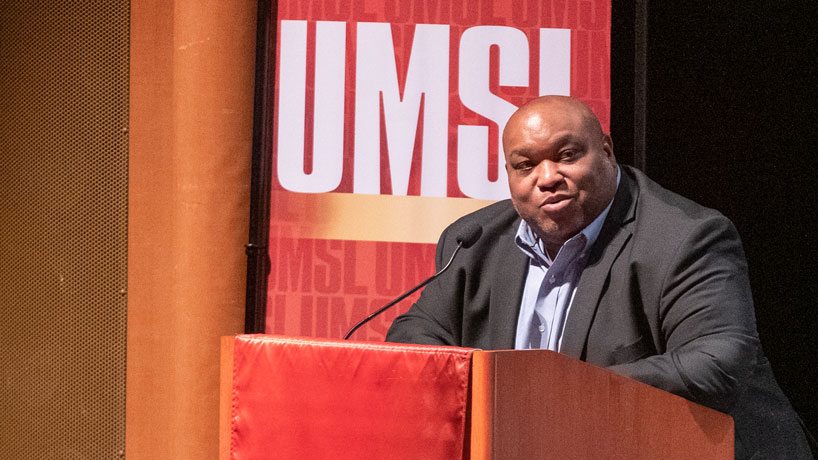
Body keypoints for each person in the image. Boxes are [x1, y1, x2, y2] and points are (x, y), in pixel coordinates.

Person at [385, 96, 813, 459]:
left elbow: (715, 365)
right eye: (525, 165)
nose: (547, 177)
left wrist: (557, 394)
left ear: (607, 151)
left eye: (567, 156)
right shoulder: (473, 241)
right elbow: (412, 337)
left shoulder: (684, 237)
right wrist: (485, 390)